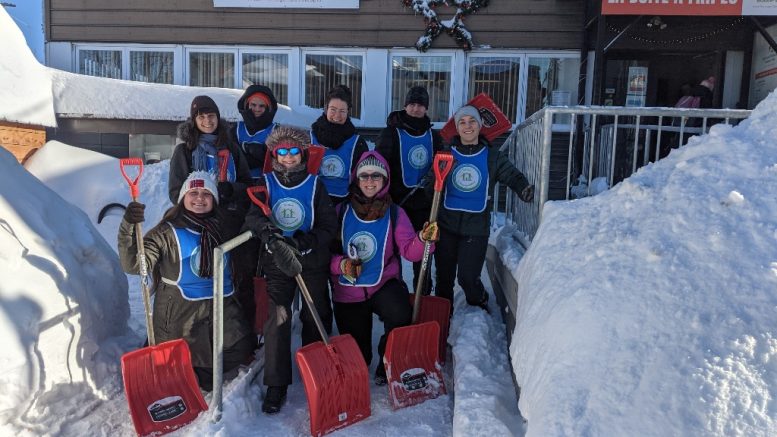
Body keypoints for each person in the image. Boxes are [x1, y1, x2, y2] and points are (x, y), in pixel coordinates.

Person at [118, 171, 255, 391]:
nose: (199, 198)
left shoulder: (224, 227)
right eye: (193, 193)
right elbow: (134, 264)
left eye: (205, 194)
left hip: (220, 308)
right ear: (183, 198)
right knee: (186, 358)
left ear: (214, 200)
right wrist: (128, 227)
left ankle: (198, 372)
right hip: (180, 313)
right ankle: (184, 373)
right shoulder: (167, 231)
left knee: (240, 348)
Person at [241, 125, 337, 414]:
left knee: (315, 311)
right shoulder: (265, 183)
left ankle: (318, 371)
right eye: (282, 151)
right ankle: (277, 383)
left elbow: (329, 226)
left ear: (303, 153)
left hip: (311, 261)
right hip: (277, 262)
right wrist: (270, 236)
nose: (288, 156)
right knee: (278, 317)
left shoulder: (316, 185)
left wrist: (303, 243)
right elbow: (253, 219)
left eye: (294, 151)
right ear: (274, 154)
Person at [330, 151, 439, 385]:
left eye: (376, 176)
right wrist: (341, 264)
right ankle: (364, 358)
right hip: (348, 291)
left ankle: (387, 362)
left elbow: (410, 251)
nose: (370, 181)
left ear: (385, 180)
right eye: (365, 176)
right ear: (356, 180)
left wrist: (423, 239)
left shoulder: (395, 213)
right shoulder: (340, 212)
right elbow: (324, 253)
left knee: (400, 313)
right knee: (359, 357)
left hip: (383, 285)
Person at [432, 105, 534, 312]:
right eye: (462, 122)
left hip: (476, 228)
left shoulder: (491, 157)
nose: (467, 126)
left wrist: (523, 188)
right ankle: (442, 318)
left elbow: (510, 174)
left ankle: (478, 300)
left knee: (468, 278)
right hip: (446, 225)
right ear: (457, 128)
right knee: (444, 279)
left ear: (480, 126)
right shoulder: (446, 154)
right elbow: (432, 181)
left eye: (472, 121)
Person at [169, 95, 256, 329]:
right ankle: (196, 332)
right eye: (202, 117)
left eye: (212, 116)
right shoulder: (184, 152)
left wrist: (230, 189)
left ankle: (241, 335)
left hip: (231, 222)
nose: (207, 121)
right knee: (199, 277)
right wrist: (201, 199)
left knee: (238, 278)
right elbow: (175, 191)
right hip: (195, 226)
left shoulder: (232, 149)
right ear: (194, 120)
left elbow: (248, 185)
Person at [376, 85, 444, 295]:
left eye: (420, 105)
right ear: (405, 106)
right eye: (412, 104)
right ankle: (394, 293)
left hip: (425, 205)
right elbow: (380, 165)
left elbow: (442, 164)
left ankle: (422, 294)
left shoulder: (434, 136)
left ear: (426, 108)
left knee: (424, 253)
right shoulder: (391, 133)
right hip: (398, 205)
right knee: (393, 252)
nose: (415, 109)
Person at [310, 85, 369, 205]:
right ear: (326, 109)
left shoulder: (357, 142)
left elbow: (363, 178)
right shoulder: (310, 138)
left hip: (344, 204)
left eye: (342, 111)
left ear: (348, 112)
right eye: (333, 109)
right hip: (313, 201)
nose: (337, 116)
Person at [233, 85, 279, 181]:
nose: (257, 109)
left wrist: (246, 149)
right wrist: (258, 154)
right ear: (247, 105)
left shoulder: (276, 131)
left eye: (262, 106)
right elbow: (232, 158)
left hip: (265, 183)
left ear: (268, 108)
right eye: (253, 105)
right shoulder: (236, 129)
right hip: (238, 182)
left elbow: (276, 161)